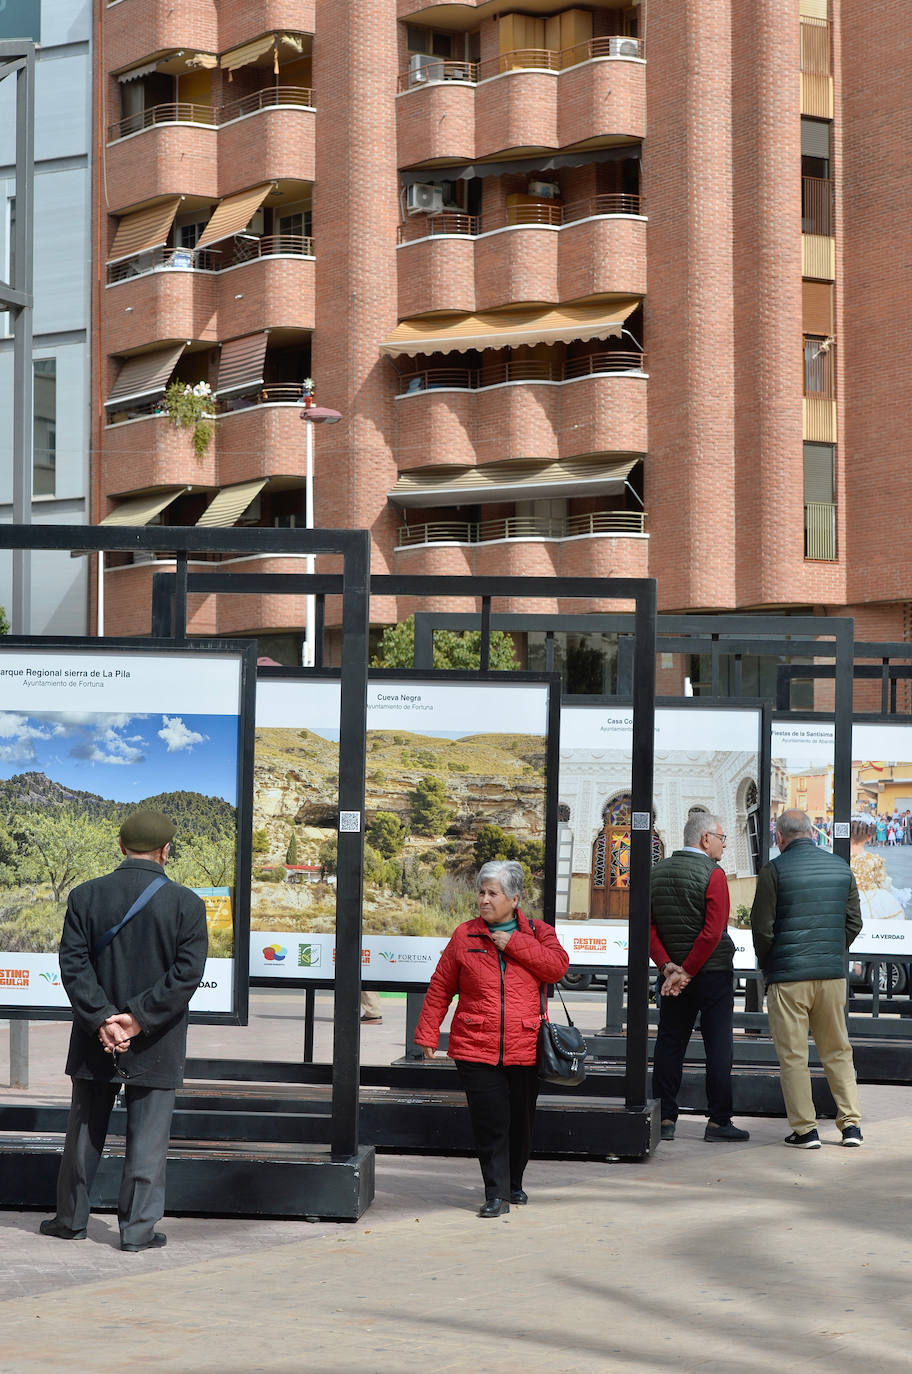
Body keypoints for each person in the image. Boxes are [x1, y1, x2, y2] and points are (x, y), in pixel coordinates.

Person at [40, 810, 208, 1250]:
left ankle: (71, 1221)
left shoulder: (84, 896)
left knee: (83, 1135)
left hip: (96, 1039)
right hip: (157, 1040)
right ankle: (136, 1232)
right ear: (165, 851)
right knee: (148, 1140)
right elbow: (186, 976)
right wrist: (137, 1020)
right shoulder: (187, 904)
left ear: (120, 847)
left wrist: (103, 1019)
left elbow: (73, 965)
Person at [415, 859, 568, 1217]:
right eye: (481, 892)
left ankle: (514, 1182)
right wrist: (427, 1032)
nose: (484, 899)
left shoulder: (538, 932)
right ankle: (495, 1193)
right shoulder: (464, 934)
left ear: (515, 898)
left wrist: (513, 943)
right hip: (475, 1045)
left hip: (526, 1045)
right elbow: (440, 987)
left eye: (492, 893)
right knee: (491, 1121)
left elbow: (557, 966)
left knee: (521, 1122)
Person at [750, 808, 863, 1149]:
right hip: (831, 976)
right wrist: (831, 949)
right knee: (838, 1050)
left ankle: (805, 1130)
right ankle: (851, 1126)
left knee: (794, 1056)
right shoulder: (840, 868)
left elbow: (762, 928)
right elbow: (853, 922)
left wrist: (771, 962)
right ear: (812, 832)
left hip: (788, 978)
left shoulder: (774, 870)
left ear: (779, 838)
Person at [649, 811, 750, 1144]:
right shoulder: (714, 874)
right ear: (705, 838)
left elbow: (647, 928)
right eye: (721, 838)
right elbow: (712, 933)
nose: (723, 845)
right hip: (711, 974)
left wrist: (668, 968)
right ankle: (719, 1122)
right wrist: (688, 972)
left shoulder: (656, 873)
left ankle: (665, 1118)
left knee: (669, 1044)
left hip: (673, 977)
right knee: (718, 1044)